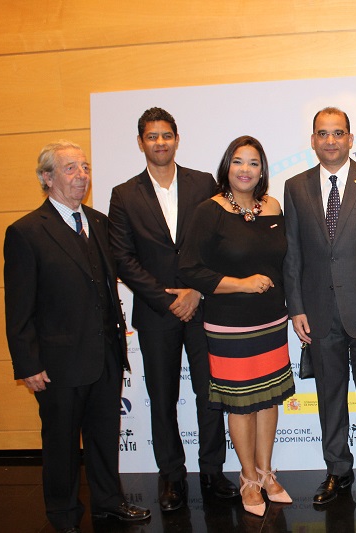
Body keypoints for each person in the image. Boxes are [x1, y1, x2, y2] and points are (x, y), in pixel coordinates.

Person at [3, 141, 150, 532]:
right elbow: (18, 308)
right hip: (58, 364)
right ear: (47, 178)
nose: (81, 175)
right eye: (71, 168)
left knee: (103, 438)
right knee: (62, 444)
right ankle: (64, 515)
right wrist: (28, 364)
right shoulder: (26, 232)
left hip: (105, 357)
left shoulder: (98, 222)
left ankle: (108, 503)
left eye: (85, 167)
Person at [108, 107, 235, 513]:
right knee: (162, 398)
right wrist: (168, 300)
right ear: (141, 142)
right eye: (152, 136)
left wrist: (196, 291)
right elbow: (123, 258)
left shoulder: (204, 183)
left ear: (177, 139)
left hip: (203, 308)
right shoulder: (124, 194)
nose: (160, 142)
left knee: (210, 394)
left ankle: (213, 471)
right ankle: (172, 476)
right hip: (156, 313)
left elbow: (220, 242)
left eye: (166, 135)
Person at [283, 107, 356, 505]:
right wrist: (296, 308)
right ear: (312, 140)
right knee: (329, 397)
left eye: (338, 133)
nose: (330, 140)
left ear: (351, 139)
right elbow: (293, 253)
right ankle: (337, 470)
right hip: (318, 313)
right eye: (323, 133)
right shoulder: (295, 187)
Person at [180, 136, 296, 517]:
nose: (246, 170)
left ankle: (265, 472)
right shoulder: (209, 211)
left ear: (263, 170)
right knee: (243, 404)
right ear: (227, 167)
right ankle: (247, 478)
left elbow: (283, 261)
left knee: (269, 399)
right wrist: (240, 284)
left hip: (271, 321)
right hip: (230, 325)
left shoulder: (272, 206)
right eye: (238, 162)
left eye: (254, 163)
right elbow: (189, 268)